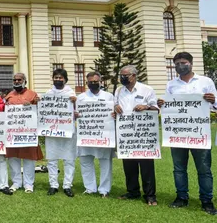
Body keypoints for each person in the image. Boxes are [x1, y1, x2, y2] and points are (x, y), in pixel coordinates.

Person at [157, 52, 217, 215]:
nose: (179, 66)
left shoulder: (206, 81)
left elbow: (216, 104)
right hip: (178, 134)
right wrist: (162, 103)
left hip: (199, 134)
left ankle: (206, 200)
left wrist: (213, 100)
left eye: (183, 62)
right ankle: (181, 197)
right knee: (178, 168)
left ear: (191, 63)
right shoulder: (171, 84)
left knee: (204, 168)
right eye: (176, 63)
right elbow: (169, 107)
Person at [114, 65, 158, 206]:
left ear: (134, 76)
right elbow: (115, 106)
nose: (123, 78)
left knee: (146, 167)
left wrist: (145, 107)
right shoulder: (119, 90)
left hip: (143, 135)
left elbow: (156, 109)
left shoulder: (147, 90)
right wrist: (115, 108)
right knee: (129, 166)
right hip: (127, 135)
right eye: (121, 75)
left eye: (125, 75)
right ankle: (132, 191)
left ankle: (150, 195)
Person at [76, 72, 115, 198]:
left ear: (100, 82)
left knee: (105, 162)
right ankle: (90, 188)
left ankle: (104, 189)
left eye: (96, 81)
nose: (93, 83)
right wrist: (75, 115)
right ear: (87, 82)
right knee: (86, 161)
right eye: (91, 81)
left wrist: (114, 115)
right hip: (86, 134)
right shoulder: (81, 97)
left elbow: (115, 112)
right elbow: (75, 114)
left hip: (103, 135)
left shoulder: (109, 96)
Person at [5, 73, 43, 194]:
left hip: (28, 133)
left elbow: (41, 112)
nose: (16, 81)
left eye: (19, 79)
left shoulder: (33, 94)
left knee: (29, 159)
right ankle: (16, 182)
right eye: (14, 80)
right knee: (13, 159)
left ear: (24, 81)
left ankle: (28, 184)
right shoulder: (9, 96)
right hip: (12, 134)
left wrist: (33, 105)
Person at [44, 68, 77, 197]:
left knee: (69, 159)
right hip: (52, 130)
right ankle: (53, 185)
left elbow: (78, 112)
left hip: (68, 131)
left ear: (65, 79)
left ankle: (67, 185)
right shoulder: (48, 93)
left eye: (60, 78)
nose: (58, 80)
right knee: (52, 159)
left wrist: (75, 103)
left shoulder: (71, 94)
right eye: (56, 77)